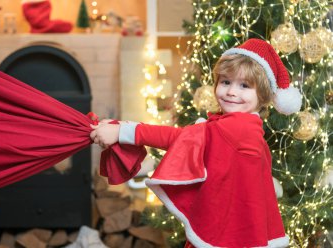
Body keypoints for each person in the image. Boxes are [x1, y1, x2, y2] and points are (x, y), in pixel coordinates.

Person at [90, 39, 302, 247]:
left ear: (263, 95)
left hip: (228, 237)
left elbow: (177, 138)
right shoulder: (246, 125)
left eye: (244, 85)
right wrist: (121, 126)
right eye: (225, 81)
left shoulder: (237, 128)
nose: (231, 92)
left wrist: (123, 131)